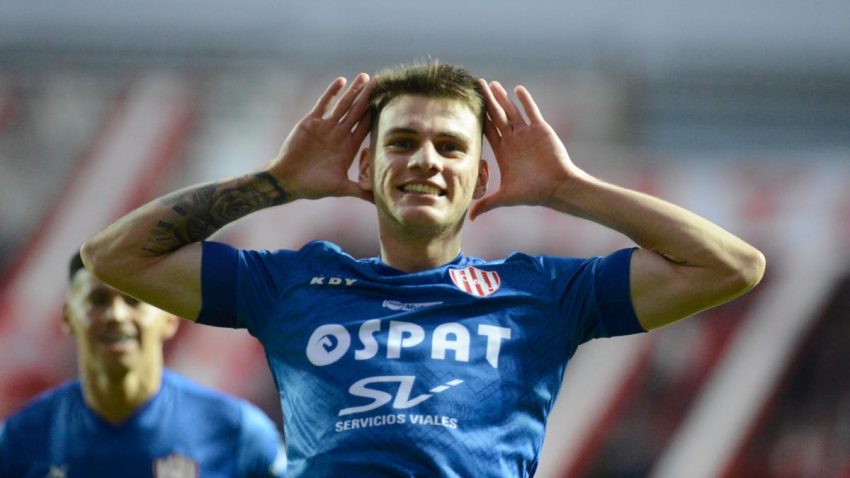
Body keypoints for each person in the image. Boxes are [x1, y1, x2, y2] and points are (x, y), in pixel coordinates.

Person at [80, 61, 765, 476]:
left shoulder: (542, 294)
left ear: (480, 176)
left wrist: (569, 187)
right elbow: (114, 257)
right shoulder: (290, 285)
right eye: (402, 142)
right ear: (368, 167)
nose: (426, 161)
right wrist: (278, 181)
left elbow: (731, 266)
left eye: (451, 146)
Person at [0, 253, 287, 478]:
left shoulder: (236, 432)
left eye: (133, 300)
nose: (116, 315)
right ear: (67, 317)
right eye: (97, 300)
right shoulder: (20, 439)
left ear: (171, 316)